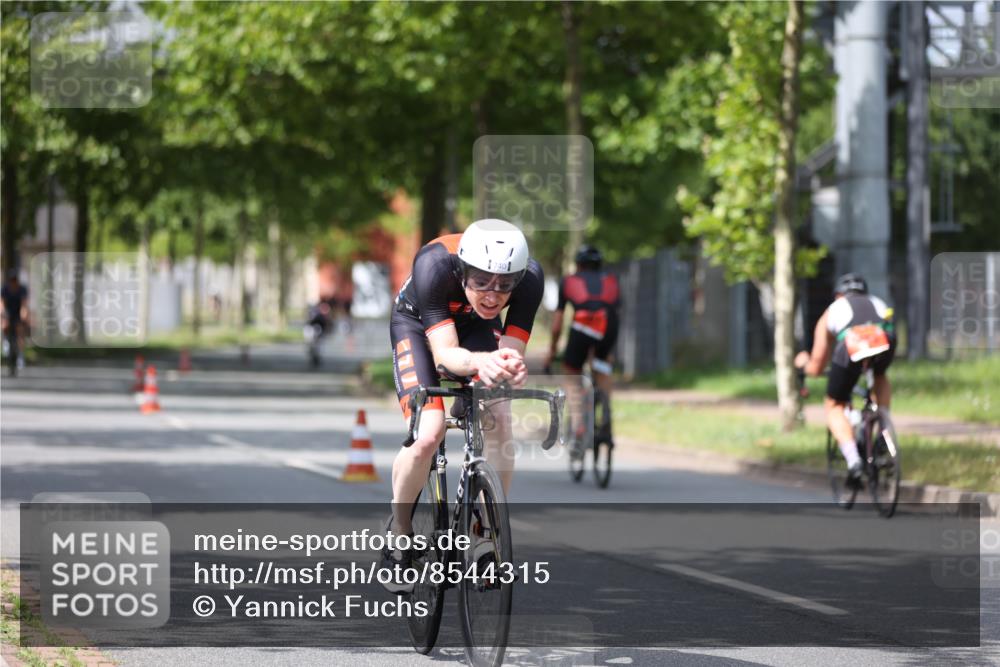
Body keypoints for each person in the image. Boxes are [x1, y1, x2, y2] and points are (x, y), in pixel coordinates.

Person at [382, 219, 544, 592]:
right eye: (481, 282)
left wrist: (509, 368)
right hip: (419, 326)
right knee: (429, 434)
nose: (493, 296)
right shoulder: (435, 265)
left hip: (473, 328)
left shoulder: (531, 279)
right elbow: (444, 357)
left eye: (504, 286)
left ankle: (485, 535)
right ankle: (400, 536)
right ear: (463, 272)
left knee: (499, 416)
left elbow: (510, 354)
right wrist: (477, 365)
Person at [795, 273, 895, 487]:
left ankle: (853, 461)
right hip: (885, 339)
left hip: (853, 344)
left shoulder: (833, 310)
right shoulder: (878, 302)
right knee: (879, 374)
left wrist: (803, 364)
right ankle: (884, 426)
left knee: (834, 404)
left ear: (838, 294)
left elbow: (817, 365)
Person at [544, 245, 620, 444]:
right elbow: (615, 312)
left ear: (578, 265)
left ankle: (578, 424)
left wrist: (552, 350)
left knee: (571, 372)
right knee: (603, 367)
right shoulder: (611, 280)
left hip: (583, 325)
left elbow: (557, 324)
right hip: (608, 326)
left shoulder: (569, 281)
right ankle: (607, 416)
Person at [1, 270, 29, 377]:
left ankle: (20, 355)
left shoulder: (22, 289)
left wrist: (24, 314)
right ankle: (5, 343)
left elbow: (24, 304)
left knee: (19, 331)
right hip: (8, 313)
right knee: (4, 325)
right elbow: (2, 303)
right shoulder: (5, 289)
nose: (13, 283)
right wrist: (3, 315)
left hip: (18, 313)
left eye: (15, 281)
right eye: (12, 281)